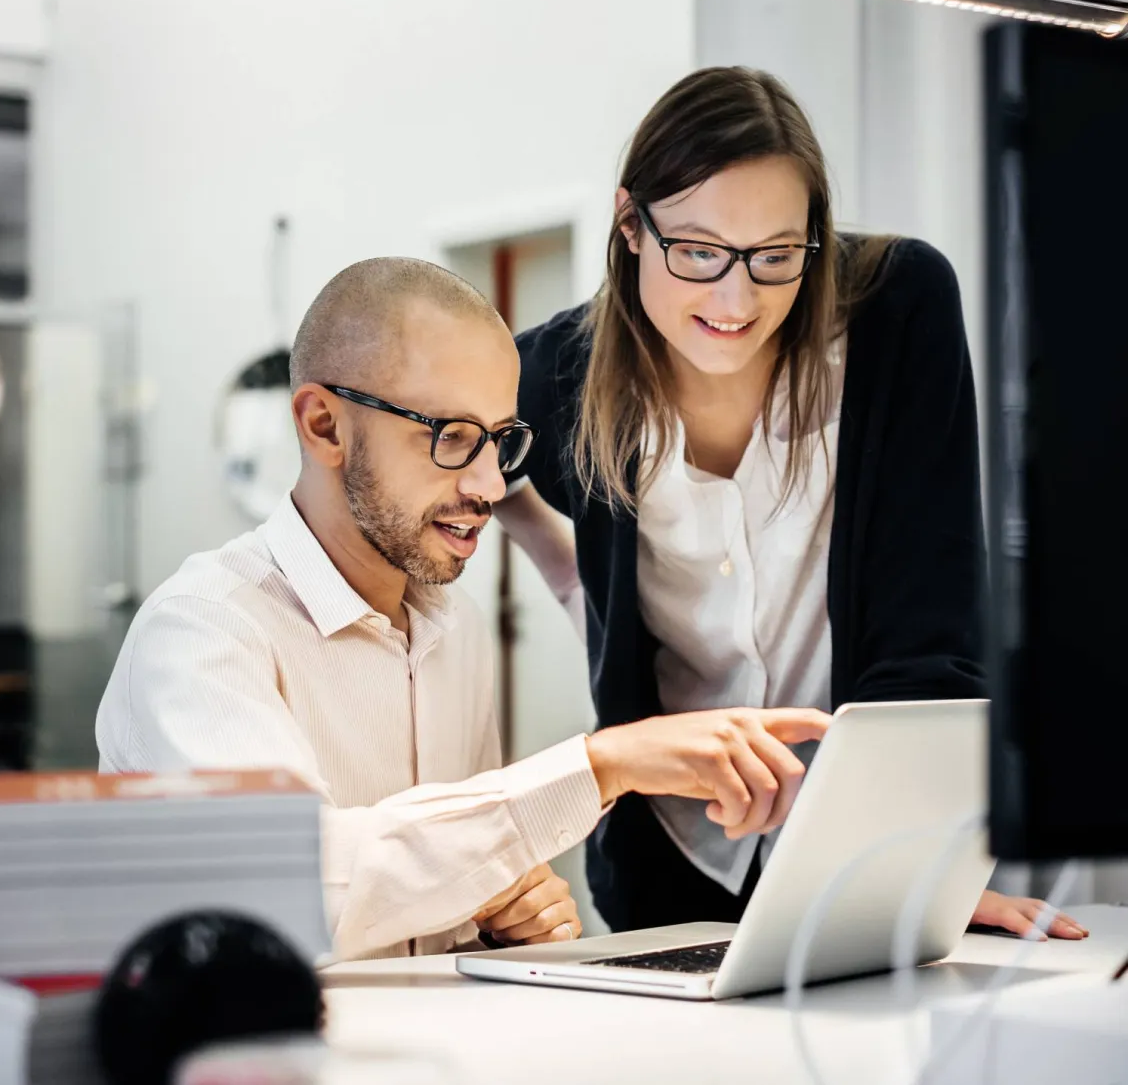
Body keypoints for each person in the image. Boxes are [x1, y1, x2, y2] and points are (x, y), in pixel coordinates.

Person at [95, 256, 831, 962]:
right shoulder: (202, 632)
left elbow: (431, 901)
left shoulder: (457, 633)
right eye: (450, 437)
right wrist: (600, 765)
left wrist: (501, 919)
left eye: (501, 441)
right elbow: (296, 897)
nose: (488, 484)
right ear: (324, 426)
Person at [496, 67, 1086, 943]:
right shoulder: (558, 371)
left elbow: (931, 628)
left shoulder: (895, 313)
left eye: (777, 256)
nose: (738, 301)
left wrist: (916, 868)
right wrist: (578, 582)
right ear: (631, 224)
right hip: (668, 859)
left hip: (858, 848)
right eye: (699, 252)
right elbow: (458, 458)